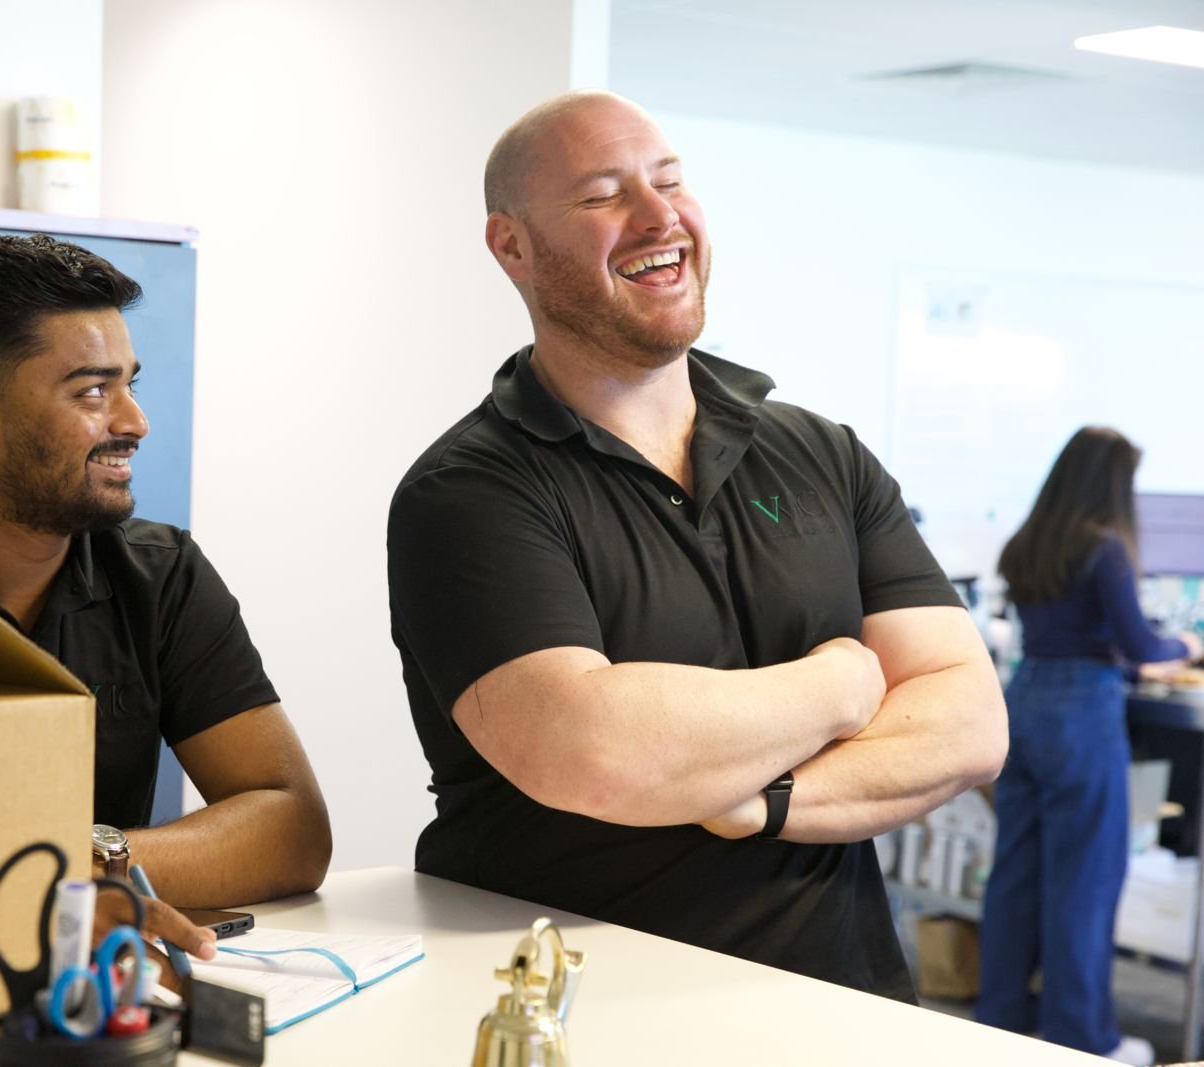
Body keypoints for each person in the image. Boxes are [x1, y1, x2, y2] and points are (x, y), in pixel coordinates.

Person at [386, 89, 1008, 1000]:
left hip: (845, 1006)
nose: (658, 216)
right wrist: (845, 681)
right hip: (582, 1013)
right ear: (511, 245)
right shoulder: (469, 492)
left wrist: (759, 801)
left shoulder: (822, 452)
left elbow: (968, 722)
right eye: (604, 195)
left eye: (671, 181)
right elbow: (596, 751)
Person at [0, 234, 331, 958]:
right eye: (92, 392)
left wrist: (90, 862)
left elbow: (293, 827)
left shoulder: (162, 573)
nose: (134, 422)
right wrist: (44, 875)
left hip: (90, 992)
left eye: (130, 384)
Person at [976, 427, 1200, 1064]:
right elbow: (1140, 645)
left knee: (1015, 873)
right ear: (1113, 482)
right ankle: (1083, 1039)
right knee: (1085, 879)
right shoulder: (1104, 547)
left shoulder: (1029, 542)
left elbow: (1065, 636)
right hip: (1082, 714)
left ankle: (1000, 1020)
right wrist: (1186, 647)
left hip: (1025, 704)